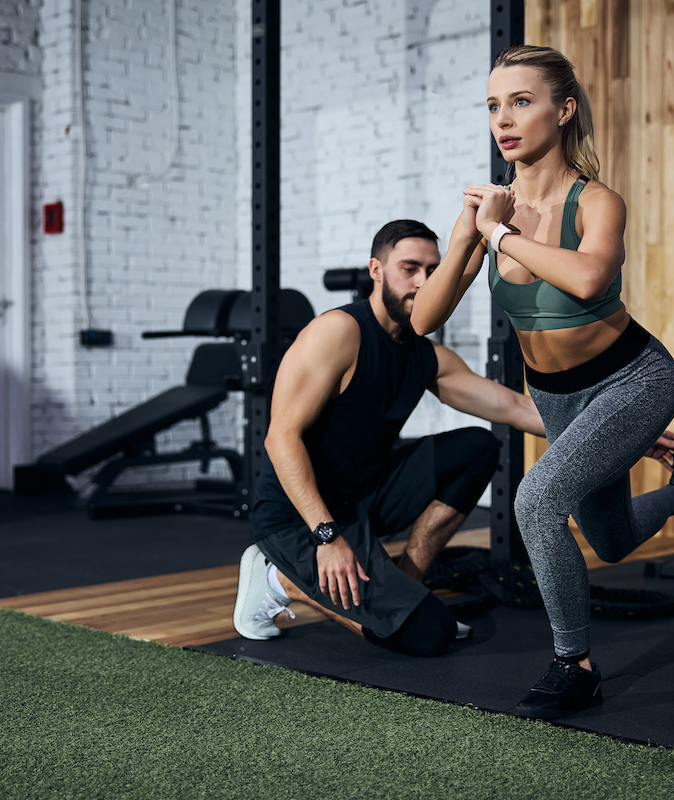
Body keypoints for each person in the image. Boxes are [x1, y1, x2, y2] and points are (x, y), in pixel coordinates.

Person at [410, 45, 674, 717]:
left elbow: (588, 277)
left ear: (563, 111)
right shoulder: (485, 213)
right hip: (559, 397)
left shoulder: (596, 202)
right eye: (494, 105)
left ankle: (574, 666)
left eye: (521, 102)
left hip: (634, 380)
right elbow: (423, 317)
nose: (504, 119)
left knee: (535, 501)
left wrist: (499, 235)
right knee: (611, 540)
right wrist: (475, 233)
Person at [232, 219, 546, 657]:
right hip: (299, 517)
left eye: (433, 271)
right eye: (409, 268)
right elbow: (280, 439)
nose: (422, 283)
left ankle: (408, 585)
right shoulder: (339, 333)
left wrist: (618, 432)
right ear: (376, 270)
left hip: (365, 494)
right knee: (426, 635)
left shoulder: (425, 354)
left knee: (477, 448)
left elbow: (514, 407)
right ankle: (276, 578)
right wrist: (326, 537)